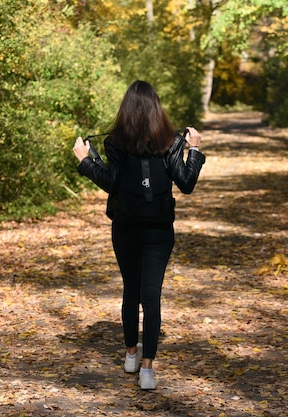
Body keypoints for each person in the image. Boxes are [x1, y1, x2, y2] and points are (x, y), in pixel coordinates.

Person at [72, 80, 205, 390]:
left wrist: (85, 161)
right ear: (156, 108)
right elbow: (186, 183)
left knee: (131, 291)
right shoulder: (170, 141)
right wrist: (194, 150)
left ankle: (132, 353)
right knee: (151, 295)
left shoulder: (115, 142)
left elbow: (111, 182)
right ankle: (147, 370)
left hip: (126, 227)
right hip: (160, 230)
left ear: (126, 109)